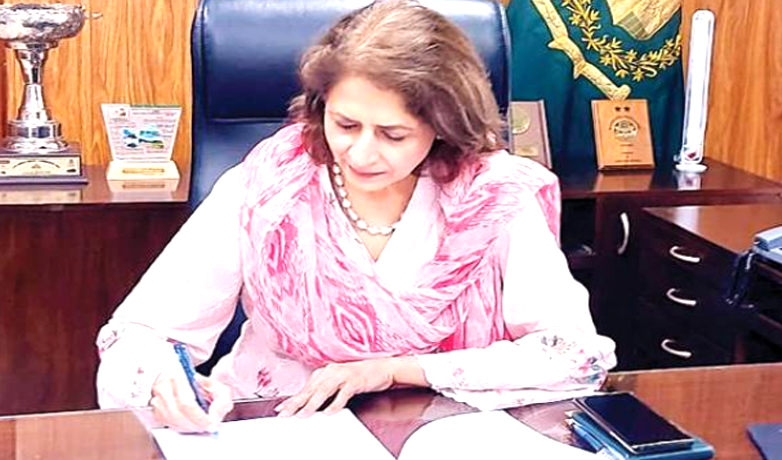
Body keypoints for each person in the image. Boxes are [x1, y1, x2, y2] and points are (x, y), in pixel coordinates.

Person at [96, 0, 616, 433]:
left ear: (443, 125)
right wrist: (163, 379)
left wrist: (394, 371)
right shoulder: (267, 188)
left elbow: (574, 355)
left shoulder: (493, 197)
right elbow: (138, 335)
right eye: (345, 124)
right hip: (277, 426)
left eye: (393, 135)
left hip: (446, 432)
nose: (362, 154)